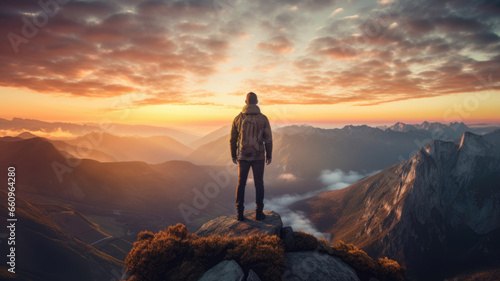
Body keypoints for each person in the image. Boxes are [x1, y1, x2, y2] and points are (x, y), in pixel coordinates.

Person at [230, 92, 273, 221]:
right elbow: (268, 139)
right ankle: (259, 213)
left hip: (243, 156)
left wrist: (233, 154)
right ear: (257, 102)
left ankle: (240, 214)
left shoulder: (238, 118)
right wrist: (269, 155)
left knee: (240, 184)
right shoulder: (263, 118)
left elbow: (232, 139)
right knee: (259, 184)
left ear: (245, 102)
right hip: (258, 156)